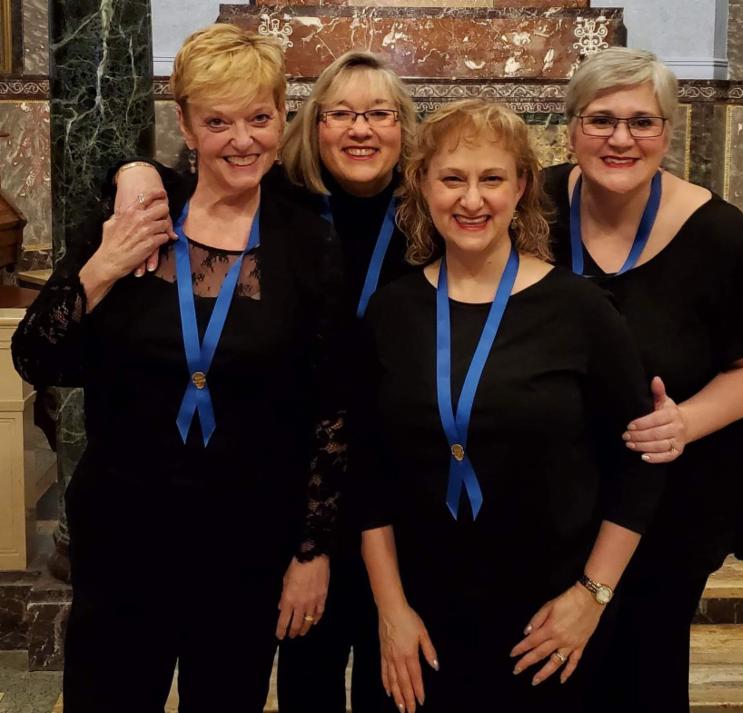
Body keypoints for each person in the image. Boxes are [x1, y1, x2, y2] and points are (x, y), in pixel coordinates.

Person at [12, 24, 345, 713]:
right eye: (218, 122)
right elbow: (37, 356)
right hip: (125, 532)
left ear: (282, 117)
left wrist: (311, 550)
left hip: (246, 538)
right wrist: (104, 266)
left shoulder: (309, 244)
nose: (242, 140)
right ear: (187, 125)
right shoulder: (135, 217)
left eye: (259, 118)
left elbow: (331, 407)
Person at [109, 50, 418, 713]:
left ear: (404, 126)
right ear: (308, 124)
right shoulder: (273, 202)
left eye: (380, 113)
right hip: (299, 481)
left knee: (395, 676)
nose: (360, 128)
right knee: (307, 666)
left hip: (400, 477)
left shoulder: (432, 218)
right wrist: (131, 170)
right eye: (340, 113)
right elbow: (179, 174)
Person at [353, 98, 665, 713]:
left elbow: (640, 466)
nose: (472, 200)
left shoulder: (581, 311)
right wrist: (390, 610)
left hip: (550, 621)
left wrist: (592, 595)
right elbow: (366, 473)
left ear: (521, 187)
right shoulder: (390, 312)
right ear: (422, 185)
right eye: (452, 179)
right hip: (417, 620)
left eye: (492, 179)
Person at [544, 47, 743, 713]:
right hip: (551, 494)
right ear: (571, 128)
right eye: (601, 120)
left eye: (642, 122)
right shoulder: (529, 208)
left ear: (668, 132)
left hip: (671, 500)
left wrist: (684, 421)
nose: (620, 139)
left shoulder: (724, 237)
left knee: (643, 672)